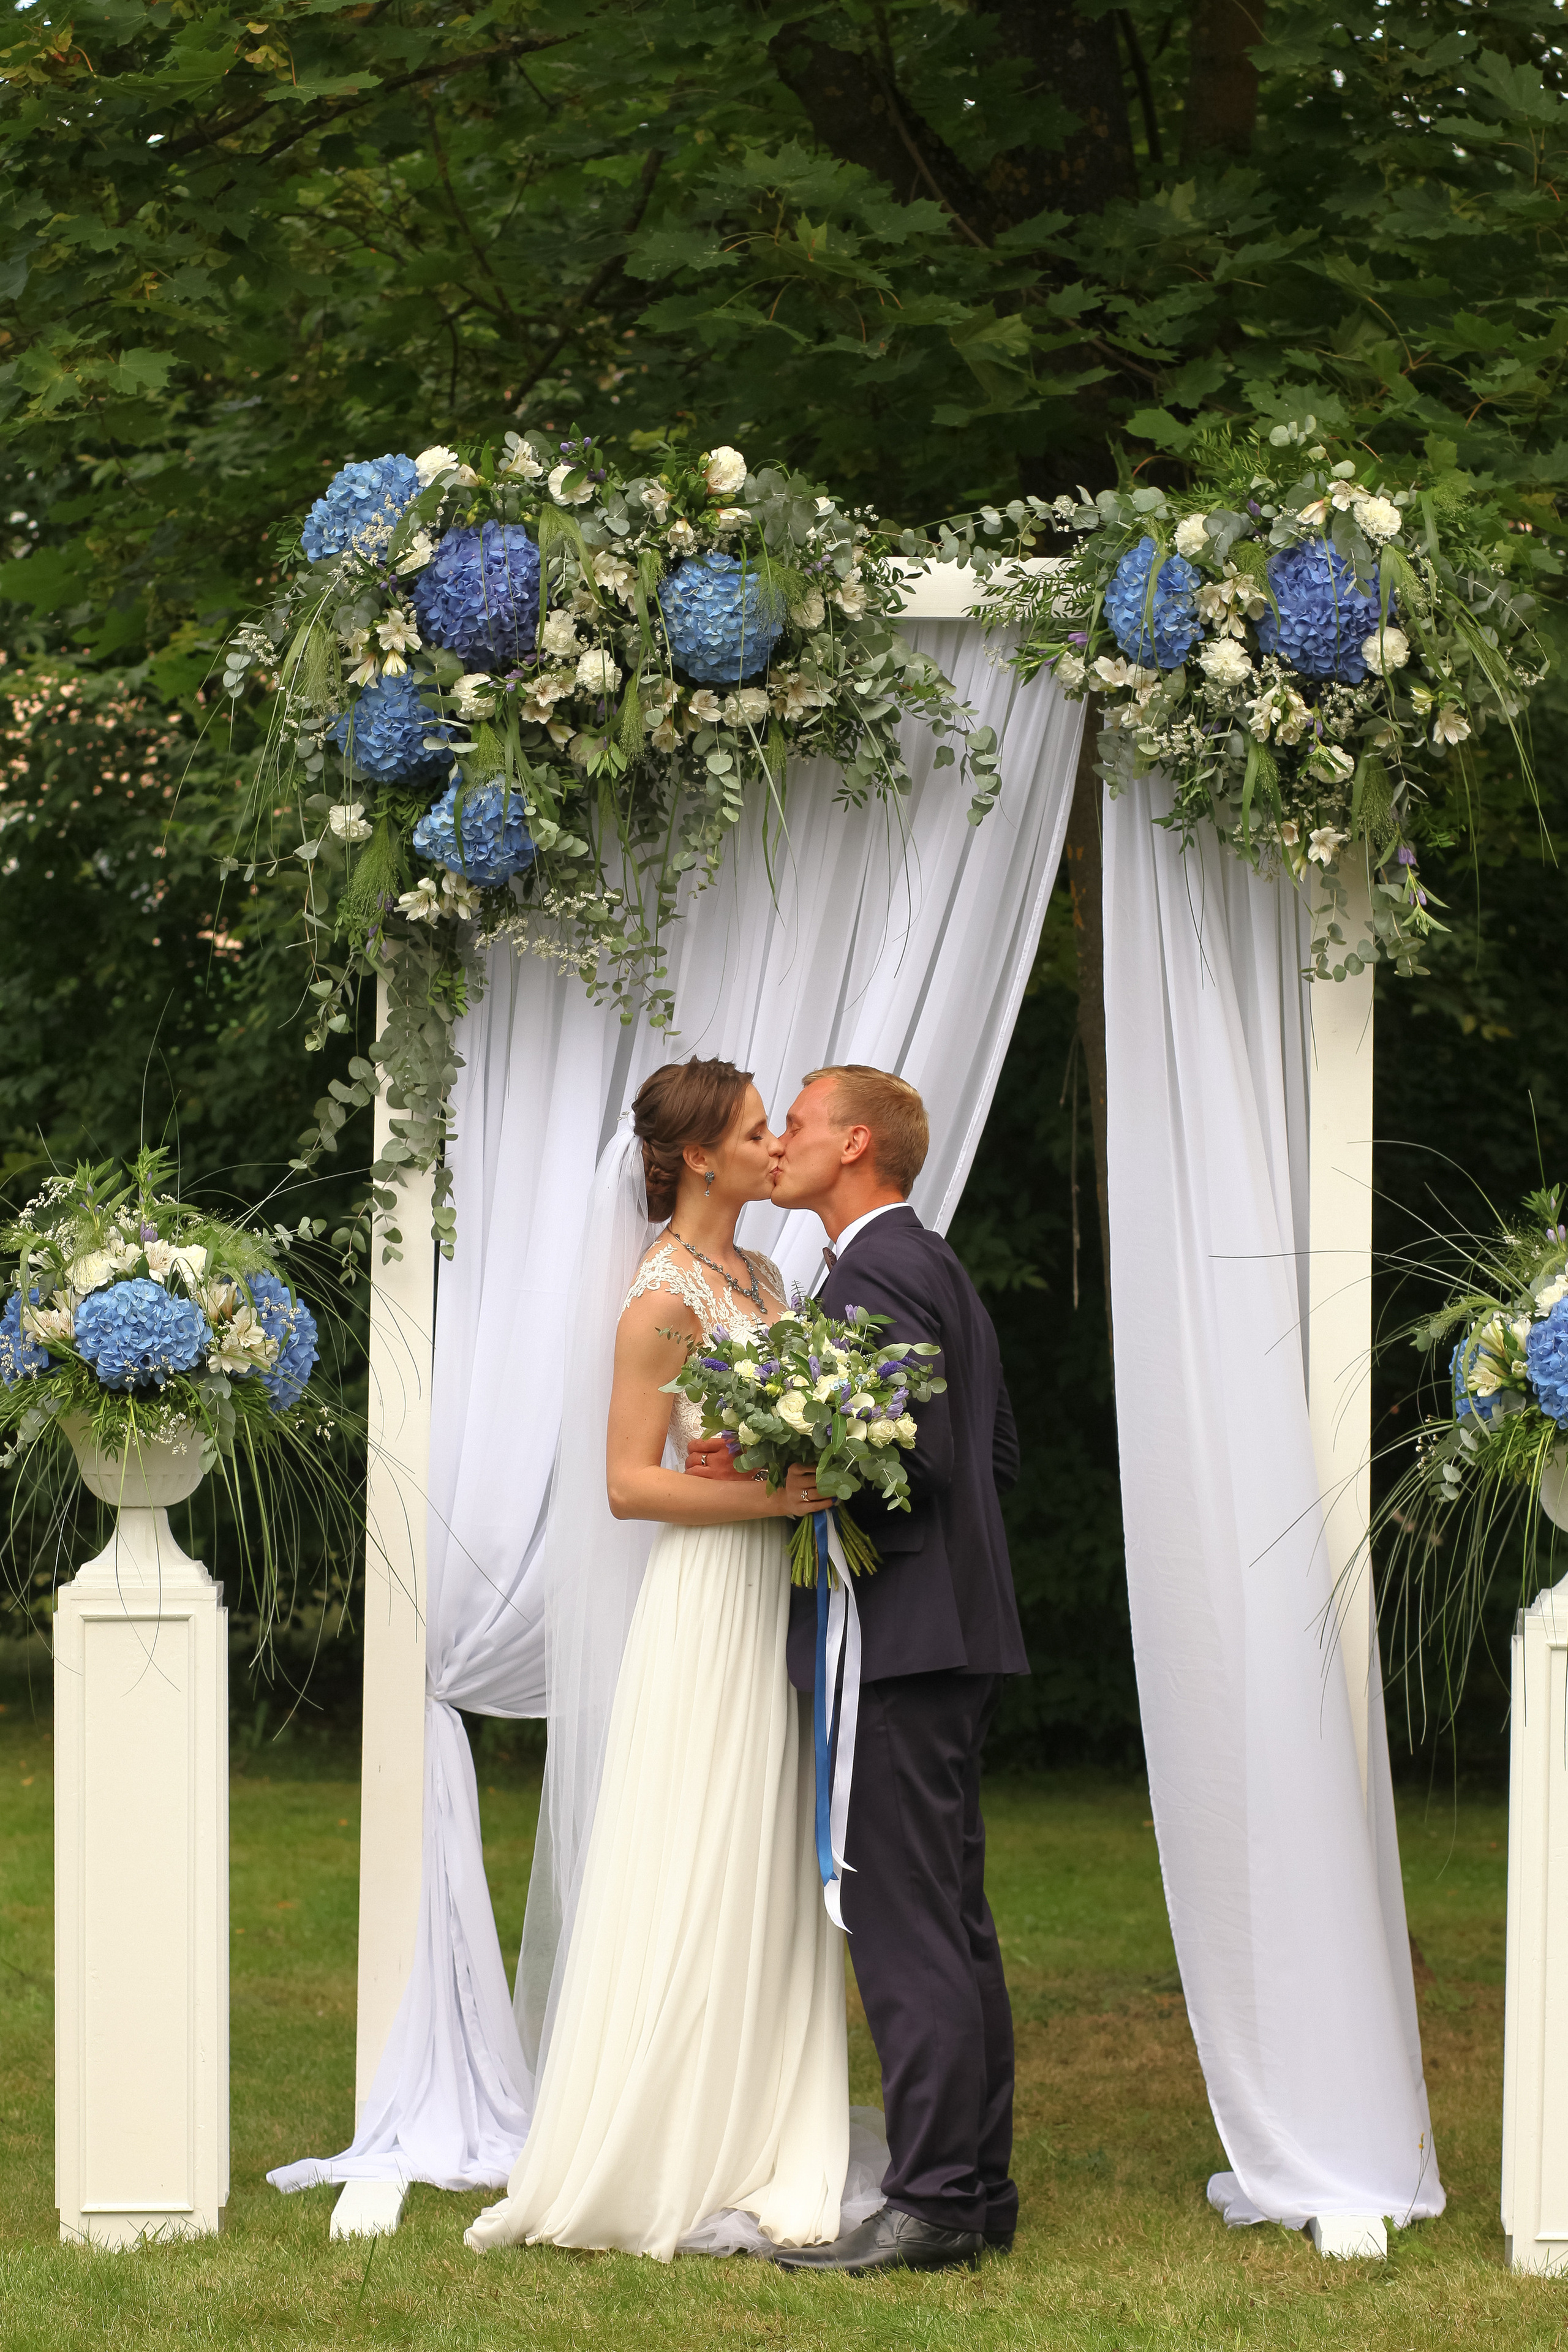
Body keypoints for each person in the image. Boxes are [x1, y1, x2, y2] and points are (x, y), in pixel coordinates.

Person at [464, 1058, 858, 2261]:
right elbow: (630, 1484)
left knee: (765, 1853)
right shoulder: (662, 1300)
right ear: (698, 1157)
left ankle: (761, 2120)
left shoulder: (769, 1276)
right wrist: (767, 1497)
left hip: (772, 1594)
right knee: (693, 1848)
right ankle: (652, 2137)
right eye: (750, 1133)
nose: (768, 1149)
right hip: (703, 1603)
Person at [688, 1062, 1026, 2276]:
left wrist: (797, 1454)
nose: (777, 1143)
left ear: (858, 1146)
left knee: (900, 1923)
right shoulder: (923, 1263)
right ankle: (974, 2190)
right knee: (949, 1917)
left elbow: (925, 1454)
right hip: (951, 1631)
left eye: (798, 1124)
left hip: (899, 1642)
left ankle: (934, 2199)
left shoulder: (876, 1269)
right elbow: (996, 1450)